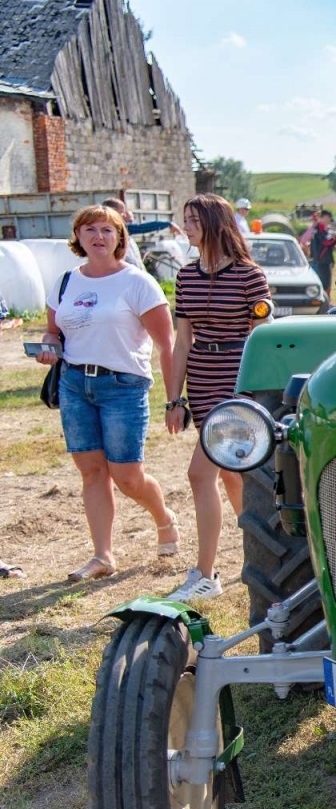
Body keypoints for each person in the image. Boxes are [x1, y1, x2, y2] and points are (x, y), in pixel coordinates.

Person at [36, 205, 181, 582]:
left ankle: (164, 518)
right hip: (74, 384)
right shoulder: (66, 281)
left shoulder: (137, 283)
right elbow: (53, 331)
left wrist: (173, 400)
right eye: (89, 230)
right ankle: (103, 555)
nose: (98, 237)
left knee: (128, 477)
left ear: (119, 237)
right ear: (78, 237)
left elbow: (167, 346)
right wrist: (49, 346)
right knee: (91, 472)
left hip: (123, 387)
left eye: (106, 230)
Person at [166, 194, 272, 602]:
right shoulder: (185, 276)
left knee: (201, 474)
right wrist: (174, 399)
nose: (187, 227)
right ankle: (264, 553)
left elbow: (262, 336)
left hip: (237, 377)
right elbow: (182, 341)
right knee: (231, 474)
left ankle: (206, 574)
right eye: (186, 220)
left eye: (194, 220)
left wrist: (253, 391)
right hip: (202, 378)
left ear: (215, 223)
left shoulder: (249, 275)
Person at [308, 209, 336, 291]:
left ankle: (326, 297)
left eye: (329, 218)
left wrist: (334, 240)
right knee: (323, 282)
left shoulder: (325, 229)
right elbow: (325, 242)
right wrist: (334, 239)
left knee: (327, 282)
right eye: (326, 218)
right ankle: (323, 297)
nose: (328, 220)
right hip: (321, 260)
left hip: (325, 259)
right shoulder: (318, 229)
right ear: (321, 218)